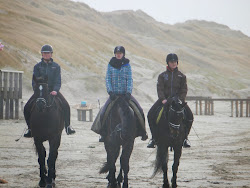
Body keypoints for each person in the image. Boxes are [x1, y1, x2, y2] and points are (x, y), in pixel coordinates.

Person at [92, 46, 148, 142]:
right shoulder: (110, 65)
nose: (118, 55)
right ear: (115, 54)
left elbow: (129, 79)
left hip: (125, 95)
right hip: (114, 95)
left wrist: (128, 92)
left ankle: (143, 132)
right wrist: (110, 91)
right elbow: (108, 79)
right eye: (117, 53)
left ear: (123, 54)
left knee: (139, 110)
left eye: (120, 53)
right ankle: (102, 132)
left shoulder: (127, 65)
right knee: (103, 111)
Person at [23, 44, 76, 137]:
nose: (46, 54)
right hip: (40, 91)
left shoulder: (56, 66)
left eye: (48, 53)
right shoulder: (37, 67)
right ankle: (30, 129)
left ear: (51, 54)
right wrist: (36, 91)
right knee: (27, 107)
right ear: (42, 54)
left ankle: (68, 126)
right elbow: (34, 80)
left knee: (66, 105)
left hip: (52, 91)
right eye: (44, 53)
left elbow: (58, 81)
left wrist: (55, 90)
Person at [147, 53, 193, 148]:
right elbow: (160, 88)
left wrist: (180, 100)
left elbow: (184, 89)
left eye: (175, 62)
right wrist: (163, 99)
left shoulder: (182, 76)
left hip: (178, 101)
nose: (173, 63)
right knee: (150, 114)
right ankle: (154, 138)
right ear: (168, 63)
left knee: (190, 116)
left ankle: (185, 138)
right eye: (172, 62)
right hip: (165, 100)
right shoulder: (162, 76)